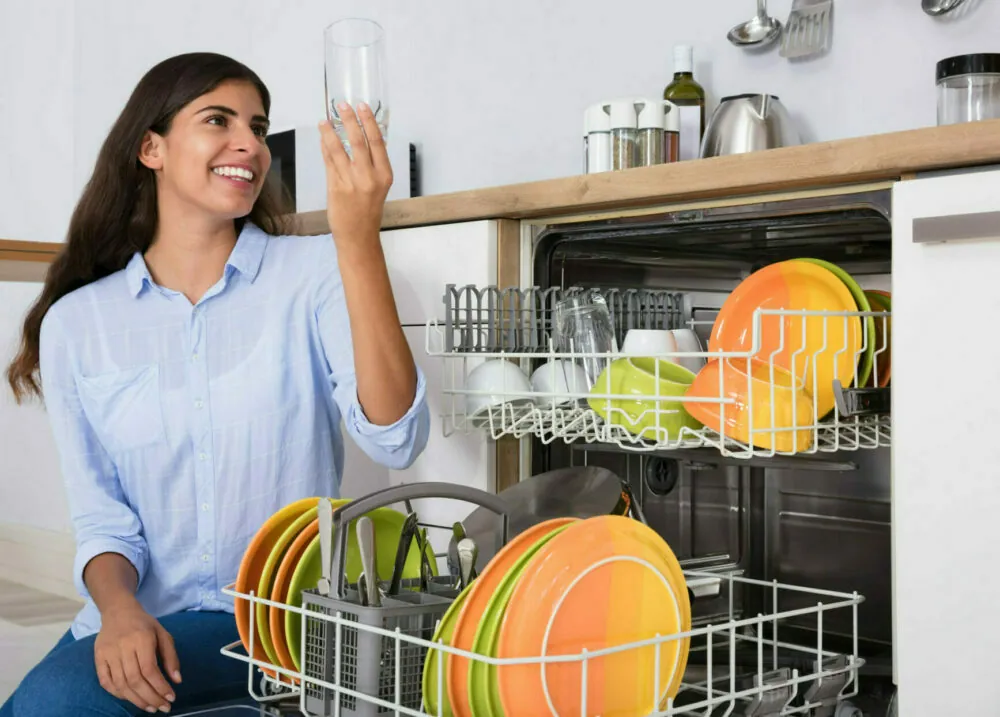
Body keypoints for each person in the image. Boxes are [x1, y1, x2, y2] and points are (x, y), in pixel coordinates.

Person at [2, 51, 429, 716]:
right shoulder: (77, 324)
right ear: (152, 148)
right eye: (218, 120)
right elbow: (102, 519)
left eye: (258, 127)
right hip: (144, 619)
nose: (249, 145)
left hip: (284, 626)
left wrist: (358, 239)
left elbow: (398, 436)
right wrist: (118, 613)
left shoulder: (314, 271)